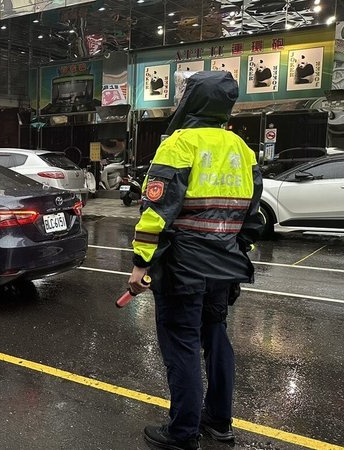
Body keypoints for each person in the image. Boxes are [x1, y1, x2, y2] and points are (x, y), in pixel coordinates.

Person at [127, 71, 264, 450]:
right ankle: (219, 423)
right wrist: (234, 251)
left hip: (183, 267)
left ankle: (183, 432)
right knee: (216, 337)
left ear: (193, 101)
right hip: (225, 267)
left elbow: (156, 212)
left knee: (182, 343)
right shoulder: (241, 148)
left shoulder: (179, 144)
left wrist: (141, 263)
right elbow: (253, 219)